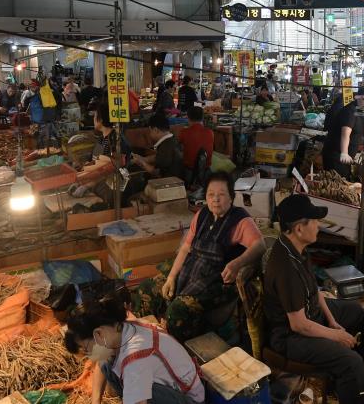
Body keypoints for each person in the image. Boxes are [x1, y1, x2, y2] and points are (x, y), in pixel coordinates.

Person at [263, 194, 364, 404]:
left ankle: (354, 386)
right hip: (290, 338)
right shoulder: (285, 267)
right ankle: (352, 383)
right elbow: (299, 325)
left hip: (311, 314)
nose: (319, 225)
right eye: (315, 221)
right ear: (299, 228)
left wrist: (332, 321)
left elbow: (315, 289)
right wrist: (336, 336)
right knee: (352, 362)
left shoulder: (297, 249)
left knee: (357, 312)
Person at [155, 172, 265, 341]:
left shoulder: (241, 220)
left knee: (178, 310)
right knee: (149, 288)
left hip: (218, 280)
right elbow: (185, 248)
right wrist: (171, 277)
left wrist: (237, 263)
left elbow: (260, 246)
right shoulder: (202, 215)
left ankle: (176, 347)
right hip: (193, 270)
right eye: (211, 195)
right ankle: (152, 334)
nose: (215, 199)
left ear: (231, 197)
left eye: (221, 195)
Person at [64, 293, 205, 404]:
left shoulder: (135, 359)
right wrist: (96, 402)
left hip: (187, 399)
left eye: (87, 348)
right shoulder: (120, 329)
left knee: (139, 387)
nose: (89, 356)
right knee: (106, 363)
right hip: (163, 388)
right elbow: (101, 365)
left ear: (99, 334)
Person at [131, 112, 184, 180]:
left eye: (150, 131)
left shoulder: (166, 146)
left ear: (156, 130)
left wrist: (141, 162)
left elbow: (156, 172)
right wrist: (144, 159)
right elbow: (159, 157)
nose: (149, 134)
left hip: (170, 183)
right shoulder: (172, 139)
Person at [322, 99, 360, 179]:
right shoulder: (350, 110)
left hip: (347, 159)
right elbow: (345, 133)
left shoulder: (363, 110)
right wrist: (344, 153)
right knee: (335, 183)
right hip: (336, 156)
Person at [177, 106, 213, 180]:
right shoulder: (210, 132)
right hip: (206, 171)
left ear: (188, 117)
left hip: (189, 172)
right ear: (202, 118)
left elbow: (177, 146)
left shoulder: (184, 132)